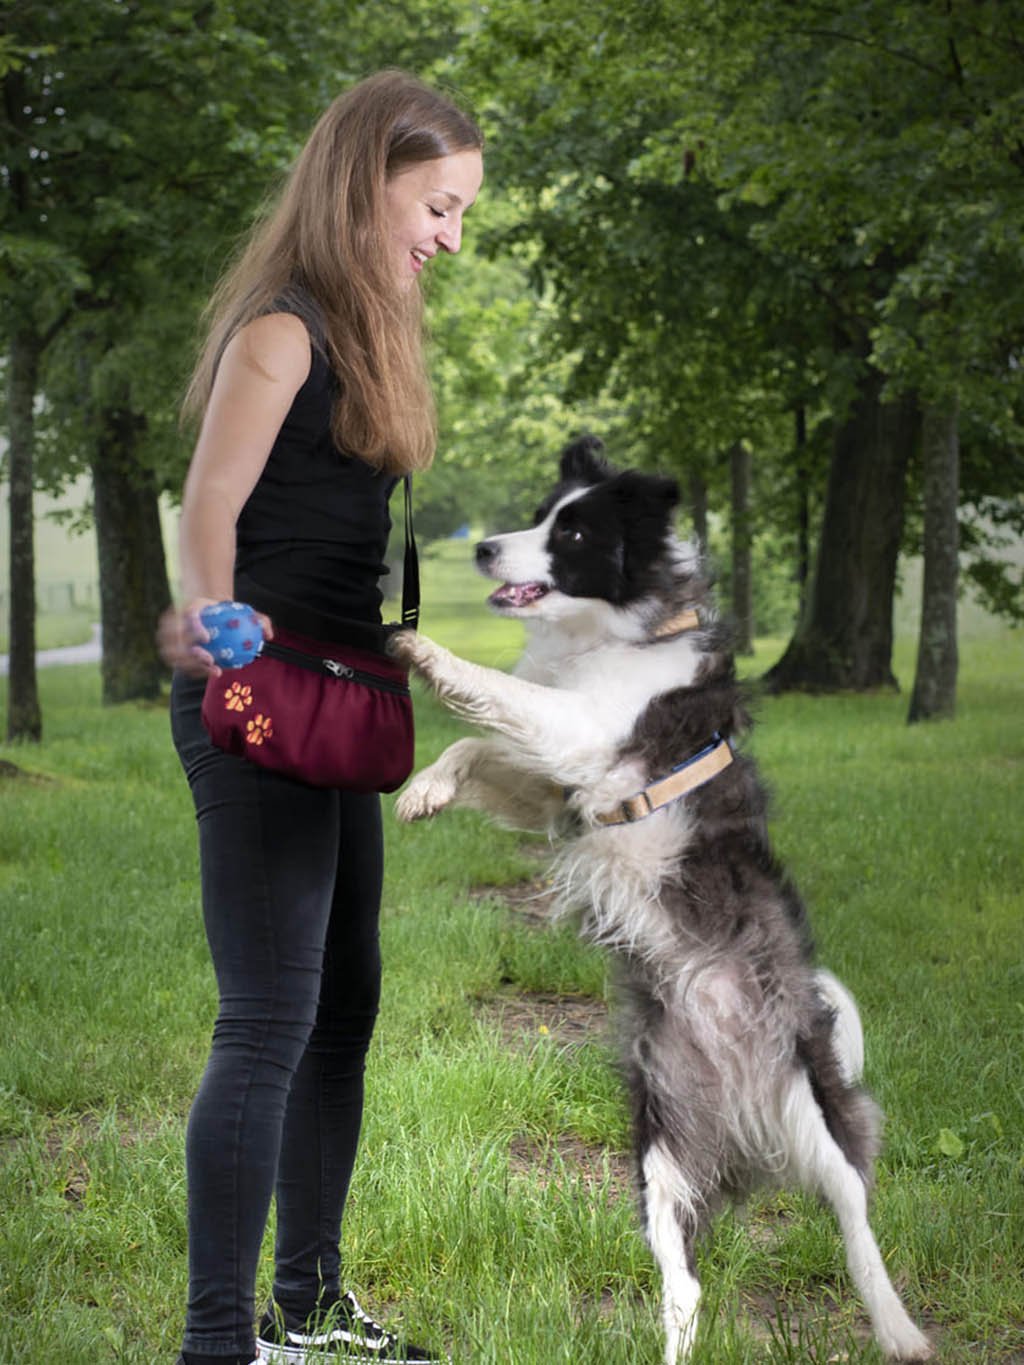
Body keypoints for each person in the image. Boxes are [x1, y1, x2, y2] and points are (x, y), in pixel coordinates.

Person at [159, 70, 483, 1365]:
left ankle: (306, 1302)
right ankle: (215, 1343)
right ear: (368, 182)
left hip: (337, 705)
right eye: (438, 206)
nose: (450, 237)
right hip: (261, 705)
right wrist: (229, 665)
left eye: (462, 214)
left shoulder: (363, 333)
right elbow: (209, 512)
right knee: (269, 1019)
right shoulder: (281, 327)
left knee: (342, 1004)